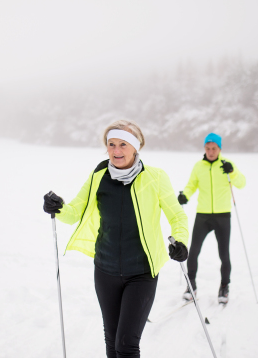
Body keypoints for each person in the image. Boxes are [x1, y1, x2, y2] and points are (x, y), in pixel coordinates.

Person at [43, 119, 189, 358]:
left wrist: (180, 240)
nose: (116, 150)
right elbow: (73, 213)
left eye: (123, 144)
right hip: (105, 270)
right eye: (111, 144)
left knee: (126, 345)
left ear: (135, 148)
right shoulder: (99, 176)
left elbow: (177, 216)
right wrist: (57, 207)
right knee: (112, 343)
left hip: (142, 272)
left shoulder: (155, 177)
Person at [177, 132, 246, 304]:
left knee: (224, 254)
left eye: (214, 148)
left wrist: (233, 172)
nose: (210, 151)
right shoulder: (198, 166)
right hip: (203, 215)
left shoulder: (227, 165)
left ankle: (224, 287)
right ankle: (191, 285)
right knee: (193, 251)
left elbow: (241, 183)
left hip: (223, 215)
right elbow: (192, 184)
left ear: (219, 148)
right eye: (207, 148)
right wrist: (185, 195)